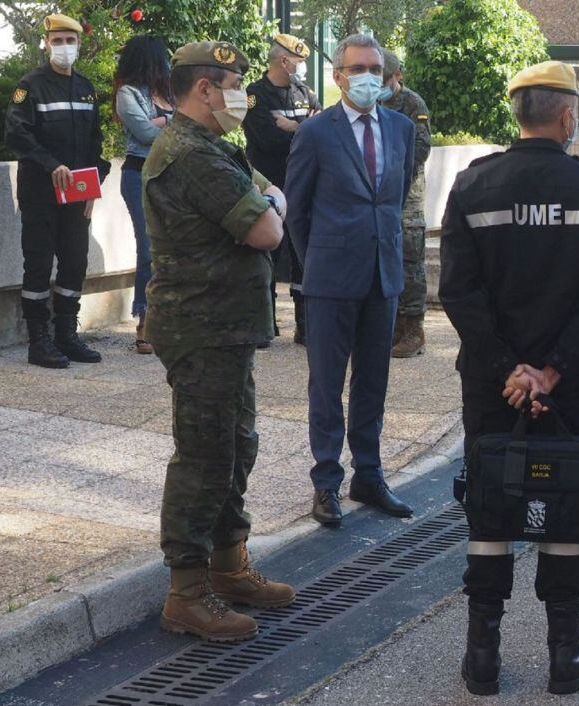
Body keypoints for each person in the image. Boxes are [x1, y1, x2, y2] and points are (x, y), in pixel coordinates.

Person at [439, 61, 579, 696]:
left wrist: (509, 370)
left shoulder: (473, 188)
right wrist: (551, 371)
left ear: (517, 114)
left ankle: (483, 657)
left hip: (492, 383)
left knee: (490, 502)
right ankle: (564, 653)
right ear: (567, 115)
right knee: (565, 498)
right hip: (566, 382)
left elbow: (459, 293)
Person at [142, 40, 295, 642]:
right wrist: (273, 203)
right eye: (233, 82)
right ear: (203, 88)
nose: (242, 93)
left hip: (226, 325)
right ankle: (186, 592)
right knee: (204, 456)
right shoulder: (190, 156)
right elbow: (266, 229)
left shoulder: (213, 146)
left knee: (236, 445)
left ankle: (229, 568)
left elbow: (267, 194)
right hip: (201, 326)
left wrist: (272, 199)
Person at [284, 34, 416, 527]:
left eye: (375, 70)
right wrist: (318, 262)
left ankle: (369, 474)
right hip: (330, 278)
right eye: (357, 68)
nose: (367, 78)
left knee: (373, 382)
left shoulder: (401, 129)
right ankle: (325, 482)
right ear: (338, 76)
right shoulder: (317, 132)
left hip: (383, 275)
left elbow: (395, 197)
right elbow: (297, 212)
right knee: (326, 384)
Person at [4, 13, 110, 369]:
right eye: (58, 41)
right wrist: (52, 165)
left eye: (70, 41)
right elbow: (17, 134)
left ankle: (67, 334)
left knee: (74, 262)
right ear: (46, 43)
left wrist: (95, 188)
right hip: (40, 192)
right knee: (37, 264)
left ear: (79, 44)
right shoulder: (30, 85)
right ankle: (39, 342)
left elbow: (95, 143)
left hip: (77, 196)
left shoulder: (85, 87)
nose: (64, 47)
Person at [244, 33, 322, 347]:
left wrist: (294, 127)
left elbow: (321, 135)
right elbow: (266, 139)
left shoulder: (307, 93)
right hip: (270, 185)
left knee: (305, 255)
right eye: (300, 62)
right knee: (266, 256)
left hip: (303, 186)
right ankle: (264, 325)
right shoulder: (255, 95)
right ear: (283, 60)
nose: (303, 67)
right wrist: (305, 129)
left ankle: (306, 325)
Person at [114, 34, 174, 355]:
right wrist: (168, 120)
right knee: (149, 248)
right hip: (139, 175)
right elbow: (146, 133)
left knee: (175, 246)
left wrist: (164, 119)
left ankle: (170, 318)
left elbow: (196, 123)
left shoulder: (171, 92)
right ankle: (145, 320)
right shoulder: (128, 94)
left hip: (173, 173)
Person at [379, 49, 432, 358]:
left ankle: (413, 329)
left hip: (406, 199)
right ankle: (393, 327)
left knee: (409, 264)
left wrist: (388, 159)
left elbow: (421, 147)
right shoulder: (368, 102)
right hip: (377, 197)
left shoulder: (412, 103)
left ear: (397, 75)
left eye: (384, 77)